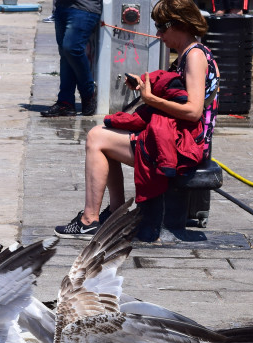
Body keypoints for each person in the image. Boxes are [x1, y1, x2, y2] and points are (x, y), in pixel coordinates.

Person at [53, 0, 220, 238]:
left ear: (179, 24)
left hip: (186, 146)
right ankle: (115, 213)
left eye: (162, 28)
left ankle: (91, 219)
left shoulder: (194, 56)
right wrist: (144, 87)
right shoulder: (188, 53)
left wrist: (151, 100)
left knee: (96, 137)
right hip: (180, 137)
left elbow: (193, 111)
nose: (159, 35)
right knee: (102, 135)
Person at [40, 0, 101, 117]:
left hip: (83, 8)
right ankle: (65, 102)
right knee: (65, 55)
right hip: (61, 8)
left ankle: (88, 93)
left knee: (72, 49)